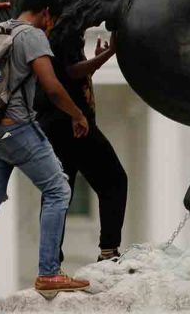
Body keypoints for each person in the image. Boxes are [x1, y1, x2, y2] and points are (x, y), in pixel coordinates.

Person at [0, 0, 91, 306]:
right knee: (58, 190)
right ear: (46, 14)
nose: (51, 27)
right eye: (53, 20)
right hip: (16, 130)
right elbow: (52, 87)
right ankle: (49, 272)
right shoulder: (33, 36)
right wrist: (77, 114)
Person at [40, 34, 127, 263]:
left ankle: (50, 261)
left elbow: (70, 77)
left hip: (62, 125)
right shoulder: (64, 28)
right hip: (73, 126)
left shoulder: (56, 31)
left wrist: (95, 62)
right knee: (114, 181)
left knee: (59, 193)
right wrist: (107, 54)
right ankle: (108, 250)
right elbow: (69, 72)